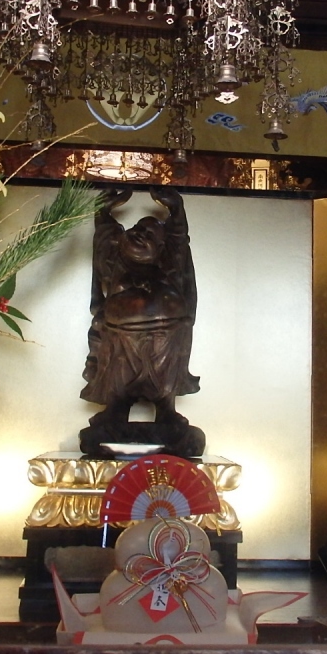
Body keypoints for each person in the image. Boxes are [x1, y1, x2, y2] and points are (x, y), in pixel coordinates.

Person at [79, 187, 205, 458]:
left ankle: (167, 412)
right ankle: (115, 411)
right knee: (117, 381)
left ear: (161, 249)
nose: (139, 234)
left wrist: (177, 209)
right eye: (136, 229)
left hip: (167, 338)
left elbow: (178, 241)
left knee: (164, 382)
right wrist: (102, 210)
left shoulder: (168, 265)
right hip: (120, 337)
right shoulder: (116, 261)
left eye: (148, 235)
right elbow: (105, 234)